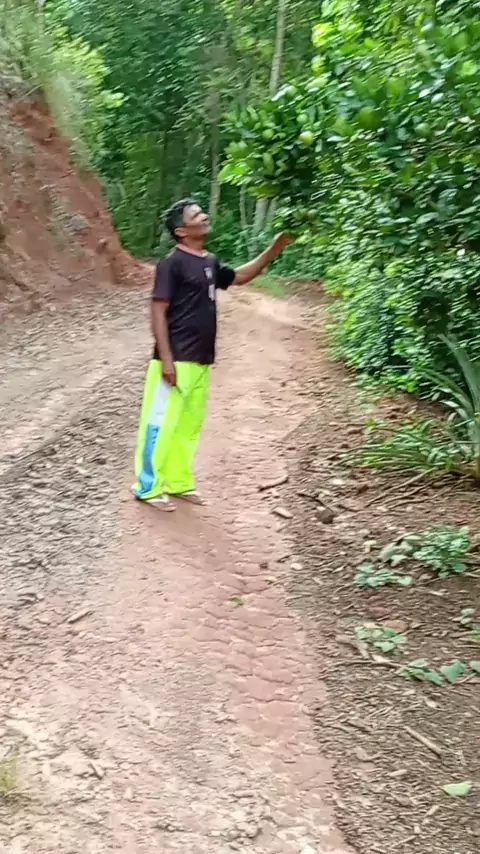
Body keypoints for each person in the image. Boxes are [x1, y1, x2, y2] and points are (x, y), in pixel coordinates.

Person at [132, 198, 293, 511]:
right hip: (176, 359)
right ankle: (147, 487)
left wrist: (274, 249)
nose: (204, 215)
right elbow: (158, 310)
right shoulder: (172, 264)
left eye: (201, 211)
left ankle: (177, 482)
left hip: (201, 359)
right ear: (181, 231)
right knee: (159, 424)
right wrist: (166, 359)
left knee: (188, 426)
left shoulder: (209, 261)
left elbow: (239, 277)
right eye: (195, 214)